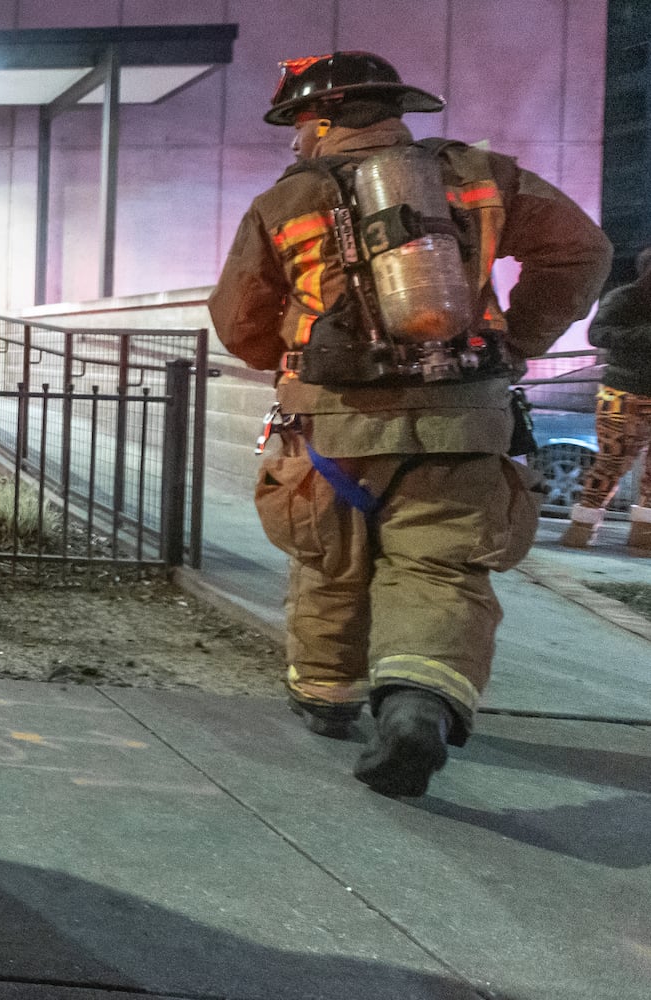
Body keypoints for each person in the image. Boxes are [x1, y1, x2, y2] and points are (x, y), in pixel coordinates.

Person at [207, 51, 611, 797]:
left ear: (322, 120)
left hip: (331, 426)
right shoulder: (484, 175)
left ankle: (327, 695)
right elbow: (581, 250)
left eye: (299, 124)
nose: (296, 140)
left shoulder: (287, 199)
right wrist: (518, 340)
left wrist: (298, 366)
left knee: (329, 555)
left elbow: (239, 320)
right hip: (463, 416)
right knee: (439, 565)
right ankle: (418, 703)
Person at [560, 246, 651, 552]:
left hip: (626, 391)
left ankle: (644, 535)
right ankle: (581, 529)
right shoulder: (625, 297)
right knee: (611, 463)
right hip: (622, 393)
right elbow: (597, 334)